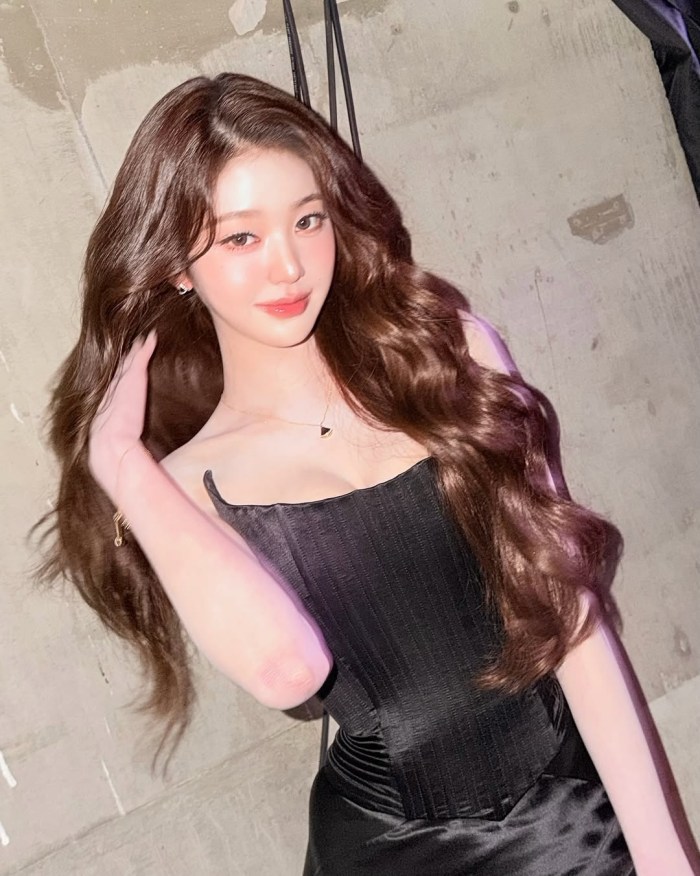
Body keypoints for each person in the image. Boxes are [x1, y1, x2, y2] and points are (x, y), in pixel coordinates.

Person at [36, 72, 696, 875]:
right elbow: (290, 672)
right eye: (241, 239)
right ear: (177, 263)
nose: (288, 266)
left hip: (570, 817)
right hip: (393, 852)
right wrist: (121, 467)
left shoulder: (448, 357)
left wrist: (664, 854)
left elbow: (570, 615)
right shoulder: (179, 484)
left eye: (307, 219)